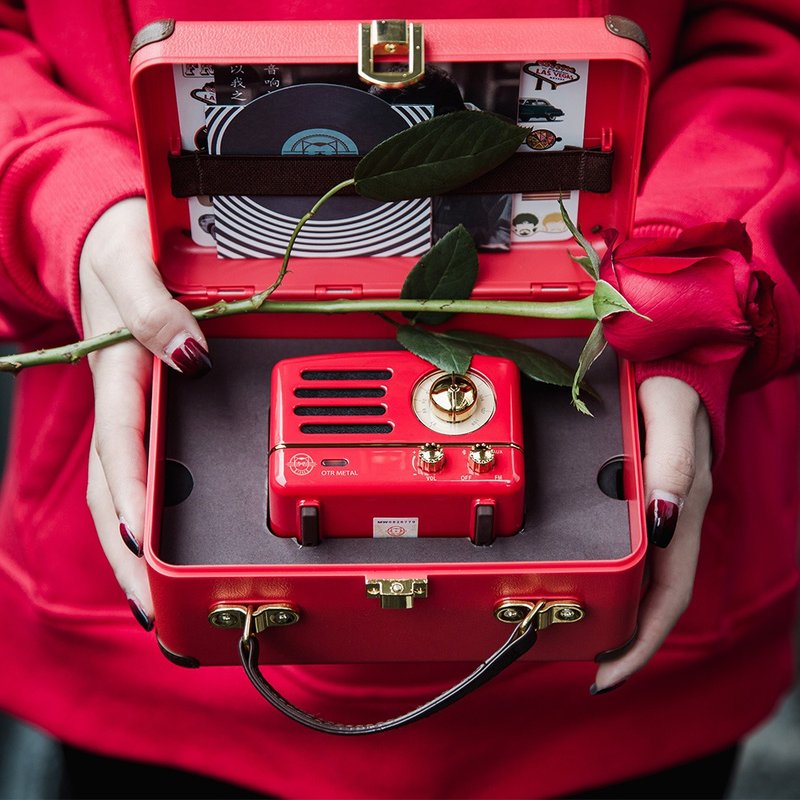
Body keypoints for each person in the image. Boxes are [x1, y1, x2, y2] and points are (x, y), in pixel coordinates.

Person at [0, 0, 798, 797]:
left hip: (636, 700)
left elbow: (772, 36)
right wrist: (72, 202)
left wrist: (694, 281)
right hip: (141, 686)